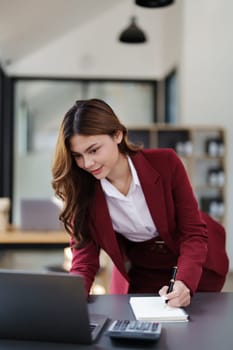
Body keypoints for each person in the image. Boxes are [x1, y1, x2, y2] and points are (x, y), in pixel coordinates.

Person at [52, 98, 229, 307]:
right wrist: (70, 300)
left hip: (196, 265)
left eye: (93, 150)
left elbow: (192, 233)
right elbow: (84, 260)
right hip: (145, 272)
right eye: (77, 156)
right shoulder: (83, 192)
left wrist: (184, 282)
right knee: (142, 333)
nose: (87, 163)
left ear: (117, 134)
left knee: (197, 332)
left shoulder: (166, 163)